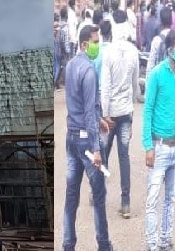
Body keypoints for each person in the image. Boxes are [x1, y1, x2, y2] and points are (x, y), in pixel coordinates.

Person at [62, 25, 114, 251]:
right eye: (94, 42)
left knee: (71, 196)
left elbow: (83, 104)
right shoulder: (90, 70)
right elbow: (88, 111)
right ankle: (103, 245)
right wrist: (96, 149)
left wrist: (99, 116)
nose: (97, 45)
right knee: (99, 196)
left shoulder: (70, 65)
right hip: (85, 140)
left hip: (71, 137)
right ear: (84, 44)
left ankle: (67, 244)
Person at [142, 29, 175, 251]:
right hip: (159, 147)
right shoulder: (157, 74)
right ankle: (151, 244)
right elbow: (148, 110)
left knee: (171, 199)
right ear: (170, 49)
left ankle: (165, 239)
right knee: (153, 200)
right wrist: (148, 146)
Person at [100, 10, 140, 218]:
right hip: (126, 112)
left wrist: (104, 114)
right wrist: (132, 102)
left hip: (110, 114)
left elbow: (105, 87)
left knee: (103, 154)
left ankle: (99, 193)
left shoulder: (109, 52)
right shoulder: (133, 52)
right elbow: (136, 86)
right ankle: (126, 202)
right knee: (124, 157)